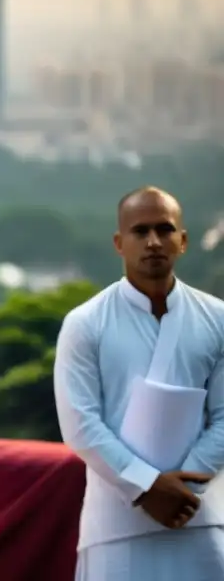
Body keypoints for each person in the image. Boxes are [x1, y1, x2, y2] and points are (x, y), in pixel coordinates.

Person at [54, 186, 224, 580]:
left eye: (164, 230)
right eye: (140, 231)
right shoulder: (86, 323)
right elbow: (80, 424)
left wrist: (185, 487)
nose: (153, 242)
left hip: (200, 512)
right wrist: (146, 486)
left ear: (183, 241)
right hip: (116, 521)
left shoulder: (217, 319)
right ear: (119, 242)